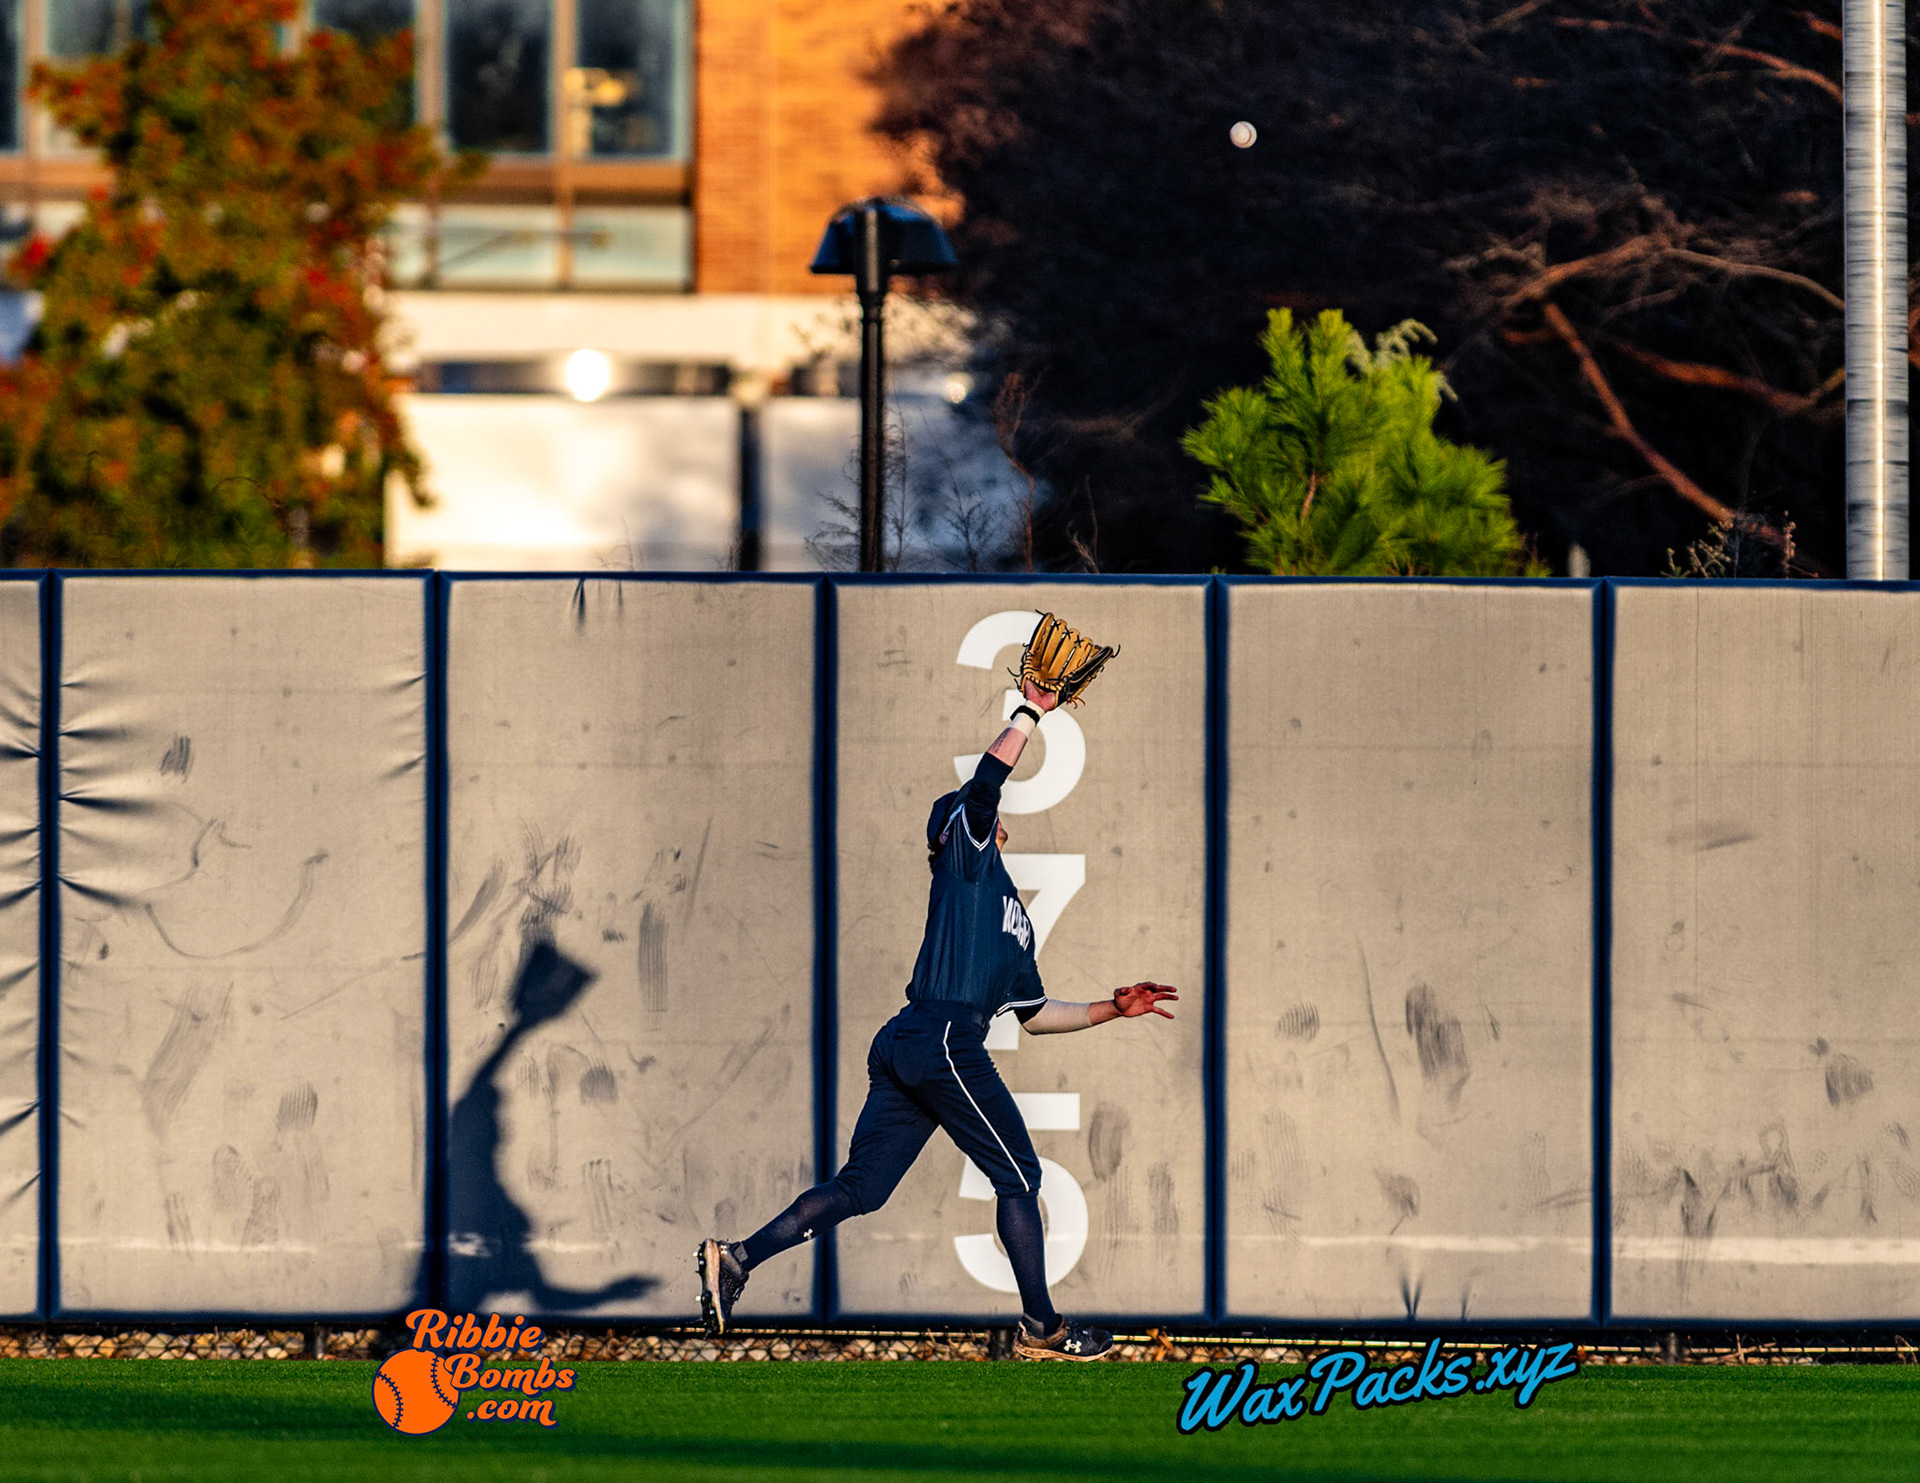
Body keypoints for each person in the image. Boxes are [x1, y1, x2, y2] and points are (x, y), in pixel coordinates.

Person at [698, 676, 1177, 1360]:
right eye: (964, 814)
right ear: (954, 830)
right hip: (942, 1035)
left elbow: (1036, 1015)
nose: (980, 815)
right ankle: (1043, 1328)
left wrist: (1111, 1007)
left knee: (862, 1187)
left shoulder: (1010, 913)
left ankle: (737, 1256)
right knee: (1019, 1174)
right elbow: (983, 788)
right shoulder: (966, 860)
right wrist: (1029, 712)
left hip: (913, 1041)